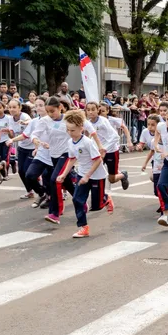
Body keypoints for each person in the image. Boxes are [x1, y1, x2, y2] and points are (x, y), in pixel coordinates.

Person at [58, 110, 110, 238]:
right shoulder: (70, 142)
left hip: (96, 175)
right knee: (77, 199)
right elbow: (71, 159)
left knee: (97, 206)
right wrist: (64, 174)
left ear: (81, 128)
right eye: (68, 130)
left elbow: (98, 159)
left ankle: (106, 199)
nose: (70, 133)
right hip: (82, 174)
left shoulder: (87, 142)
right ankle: (83, 227)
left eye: (73, 130)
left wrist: (88, 175)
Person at [86, 102, 130, 191]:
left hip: (111, 151)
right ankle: (102, 196)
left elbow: (115, 137)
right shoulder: (88, 123)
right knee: (96, 174)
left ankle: (123, 175)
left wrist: (104, 149)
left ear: (98, 110)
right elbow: (89, 138)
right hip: (98, 153)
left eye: (93, 109)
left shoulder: (103, 121)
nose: (90, 112)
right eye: (88, 110)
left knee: (112, 179)